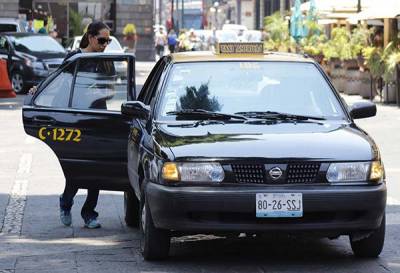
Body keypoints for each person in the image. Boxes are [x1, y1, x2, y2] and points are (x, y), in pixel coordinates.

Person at [30, 21, 113, 229]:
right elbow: (58, 79)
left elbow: (111, 88)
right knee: (77, 168)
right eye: (102, 40)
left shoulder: (106, 61)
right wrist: (39, 90)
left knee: (97, 169)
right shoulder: (75, 57)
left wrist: (99, 93)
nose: (105, 44)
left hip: (97, 119)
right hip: (75, 119)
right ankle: (66, 202)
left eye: (108, 40)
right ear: (91, 37)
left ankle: (89, 213)